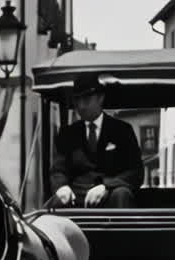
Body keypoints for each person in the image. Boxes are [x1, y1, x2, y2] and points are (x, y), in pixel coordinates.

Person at [49, 73, 142, 208]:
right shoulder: (67, 134)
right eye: (77, 100)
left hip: (111, 193)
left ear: (100, 98)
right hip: (77, 195)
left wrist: (106, 186)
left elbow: (135, 171)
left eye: (86, 100)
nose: (81, 106)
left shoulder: (122, 131)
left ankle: (123, 229)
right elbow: (58, 170)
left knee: (122, 194)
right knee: (56, 203)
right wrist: (62, 187)